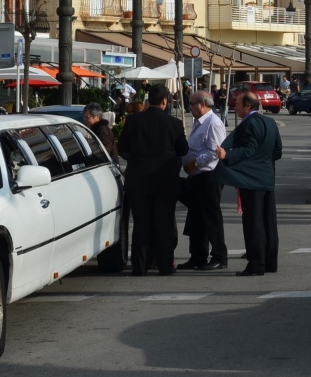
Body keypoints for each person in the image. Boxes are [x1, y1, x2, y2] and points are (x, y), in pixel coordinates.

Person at [117, 89, 187, 276]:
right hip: (165, 181)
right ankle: (165, 266)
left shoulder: (133, 121)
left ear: (148, 102)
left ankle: (140, 266)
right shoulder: (175, 123)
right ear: (164, 101)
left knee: (141, 224)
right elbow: (183, 149)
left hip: (138, 181)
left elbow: (122, 148)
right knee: (163, 225)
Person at [215, 91, 282, 276]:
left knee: (253, 223)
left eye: (237, 104)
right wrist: (264, 163)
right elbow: (278, 151)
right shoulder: (270, 122)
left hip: (250, 179)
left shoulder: (250, 124)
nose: (234, 107)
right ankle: (270, 262)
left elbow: (248, 150)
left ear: (248, 106)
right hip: (267, 178)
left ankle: (256, 263)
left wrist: (227, 155)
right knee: (269, 222)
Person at [177, 92, 229, 271]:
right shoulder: (200, 122)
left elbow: (216, 151)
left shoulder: (213, 123)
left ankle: (219, 256)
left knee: (211, 217)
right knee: (196, 217)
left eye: (191, 104)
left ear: (202, 104)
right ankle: (198, 256)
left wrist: (196, 162)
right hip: (197, 175)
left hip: (209, 176)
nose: (189, 107)